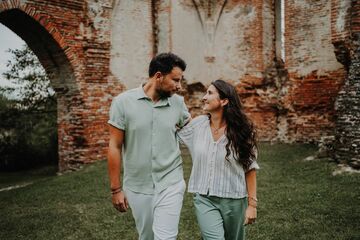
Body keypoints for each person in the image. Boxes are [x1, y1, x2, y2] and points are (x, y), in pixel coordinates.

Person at [107, 53, 190, 240]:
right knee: (147, 236)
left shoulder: (178, 103)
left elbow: (193, 133)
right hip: (137, 186)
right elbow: (114, 145)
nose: (179, 86)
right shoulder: (122, 103)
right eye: (175, 80)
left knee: (166, 237)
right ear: (158, 76)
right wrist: (116, 189)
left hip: (171, 182)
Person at [177, 79, 259, 240]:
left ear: (224, 101)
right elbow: (173, 130)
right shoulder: (198, 125)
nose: (203, 98)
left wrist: (252, 205)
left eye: (210, 93)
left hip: (234, 200)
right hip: (204, 199)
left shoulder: (242, 131)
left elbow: (250, 168)